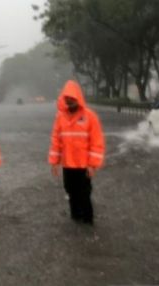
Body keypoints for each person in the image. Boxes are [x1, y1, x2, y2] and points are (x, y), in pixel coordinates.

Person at [48, 80, 105, 224]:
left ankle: (87, 219)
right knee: (70, 191)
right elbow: (56, 141)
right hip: (68, 164)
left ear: (78, 98)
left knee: (84, 193)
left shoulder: (90, 116)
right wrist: (54, 163)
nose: (70, 103)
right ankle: (75, 216)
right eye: (67, 100)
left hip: (83, 165)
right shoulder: (60, 118)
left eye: (72, 99)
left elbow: (97, 142)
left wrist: (93, 165)